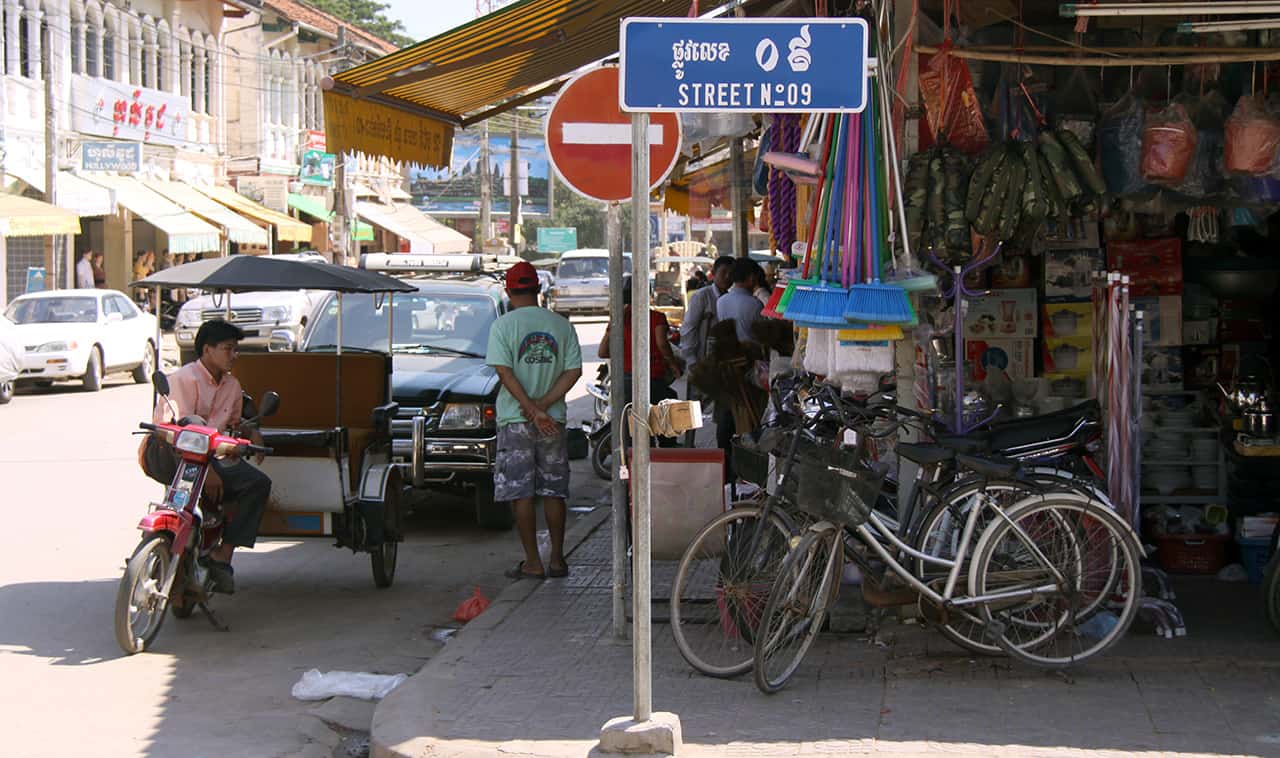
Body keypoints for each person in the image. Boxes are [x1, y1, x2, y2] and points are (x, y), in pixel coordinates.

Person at [137, 320, 271, 594]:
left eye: (236, 350)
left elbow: (232, 425)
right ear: (207, 350)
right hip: (170, 453)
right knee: (192, 421)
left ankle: (224, 554)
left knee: (258, 484)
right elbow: (172, 427)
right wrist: (206, 470)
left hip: (213, 458)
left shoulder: (233, 386)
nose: (234, 355)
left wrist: (252, 431)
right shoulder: (183, 379)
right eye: (227, 349)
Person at [486, 261, 583, 580]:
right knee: (554, 491)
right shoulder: (562, 325)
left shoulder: (502, 326)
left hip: (515, 420)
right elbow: (573, 372)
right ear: (539, 289)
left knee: (521, 492)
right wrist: (543, 408)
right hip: (552, 421)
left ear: (508, 291)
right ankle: (557, 560)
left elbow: (504, 372)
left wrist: (530, 408)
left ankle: (532, 562)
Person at [598, 278, 683, 446]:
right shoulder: (657, 317)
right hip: (653, 379)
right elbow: (662, 344)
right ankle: (667, 450)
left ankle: (638, 464)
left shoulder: (617, 321)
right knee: (665, 423)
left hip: (626, 382)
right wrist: (674, 366)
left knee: (636, 435)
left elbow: (602, 352)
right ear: (647, 295)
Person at [718, 258, 765, 343]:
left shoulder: (720, 301)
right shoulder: (755, 304)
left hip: (730, 353)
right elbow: (763, 334)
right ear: (751, 278)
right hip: (752, 353)